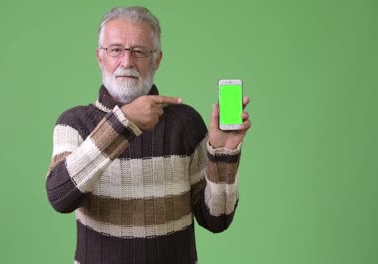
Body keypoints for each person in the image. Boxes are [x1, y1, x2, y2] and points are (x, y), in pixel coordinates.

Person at [45, 6, 251, 264]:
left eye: (139, 51)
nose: (127, 61)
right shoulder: (74, 124)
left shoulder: (185, 123)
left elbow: (217, 220)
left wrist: (223, 154)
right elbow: (60, 197)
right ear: (100, 57)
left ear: (157, 60)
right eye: (116, 49)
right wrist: (125, 121)